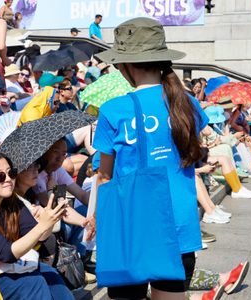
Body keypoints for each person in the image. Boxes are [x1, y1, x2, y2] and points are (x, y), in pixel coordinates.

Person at [90, 18, 210, 300]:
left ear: (125, 65)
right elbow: (194, 153)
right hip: (179, 227)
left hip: (132, 227)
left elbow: (104, 177)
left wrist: (96, 218)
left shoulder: (113, 110)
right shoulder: (187, 102)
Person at [0, 151, 74, 300]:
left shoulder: (12, 204)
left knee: (50, 274)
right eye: (0, 176)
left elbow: (39, 237)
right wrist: (42, 226)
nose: (9, 179)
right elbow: (6, 253)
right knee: (33, 283)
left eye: (11, 173)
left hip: (9, 267)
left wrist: (51, 220)